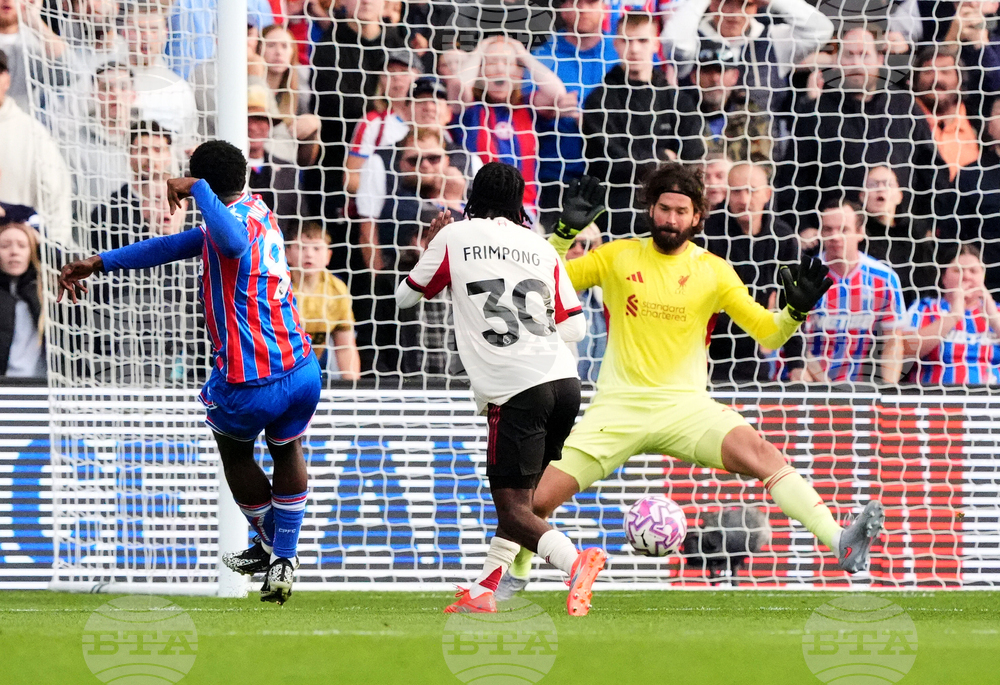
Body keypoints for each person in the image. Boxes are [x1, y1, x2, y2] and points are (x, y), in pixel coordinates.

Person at [496, 164, 884, 600]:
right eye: (664, 209)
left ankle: (840, 541)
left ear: (698, 216)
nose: (671, 219)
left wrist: (793, 313)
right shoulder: (617, 257)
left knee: (764, 454)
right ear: (651, 209)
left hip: (687, 408)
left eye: (682, 211)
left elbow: (768, 333)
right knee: (535, 501)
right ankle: (518, 574)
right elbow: (544, 284)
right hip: (618, 408)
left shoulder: (713, 271)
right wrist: (564, 234)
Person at [57, 140, 321, 605]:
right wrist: (99, 262)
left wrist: (197, 188)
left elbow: (231, 242)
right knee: (286, 448)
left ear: (199, 183)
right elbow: (170, 245)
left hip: (250, 376)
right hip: (300, 367)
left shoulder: (230, 228)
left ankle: (274, 547)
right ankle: (281, 554)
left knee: (234, 451)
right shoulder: (259, 209)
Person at [396, 163, 607, 616]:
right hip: (565, 383)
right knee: (523, 502)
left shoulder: (454, 236)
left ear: (473, 197)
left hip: (516, 389)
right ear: (520, 203)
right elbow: (576, 326)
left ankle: (576, 564)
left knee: (513, 510)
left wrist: (429, 247)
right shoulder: (541, 247)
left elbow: (405, 297)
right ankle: (484, 588)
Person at [776, 27, 942, 233]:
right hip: (837, 237)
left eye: (864, 54)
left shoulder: (904, 106)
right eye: (849, 55)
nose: (856, 63)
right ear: (837, 61)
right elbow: (794, 178)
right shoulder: (816, 112)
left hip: (901, 236)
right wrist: (803, 226)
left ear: (880, 59)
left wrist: (927, 225)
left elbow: (932, 170)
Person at [582, 12, 705, 236]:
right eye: (627, 41)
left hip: (671, 213)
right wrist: (663, 159)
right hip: (616, 213)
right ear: (616, 44)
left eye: (642, 40)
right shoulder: (599, 101)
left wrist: (643, 162)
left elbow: (692, 158)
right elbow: (609, 163)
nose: (635, 49)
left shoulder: (677, 101)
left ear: (655, 44)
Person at [700, 162, 803, 384]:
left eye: (751, 191)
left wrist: (796, 363)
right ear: (726, 194)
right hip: (704, 347)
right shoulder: (706, 233)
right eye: (736, 191)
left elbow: (791, 303)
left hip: (750, 348)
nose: (744, 200)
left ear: (767, 194)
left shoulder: (783, 238)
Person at [525, 0, 617, 225]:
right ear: (562, 8)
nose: (583, 8)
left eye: (590, 2)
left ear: (604, 6)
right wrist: (544, 106)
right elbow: (523, 104)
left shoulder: (621, 51)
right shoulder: (542, 56)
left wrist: (591, 119)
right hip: (555, 178)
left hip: (614, 178)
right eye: (575, 2)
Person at [803, 198, 910, 385]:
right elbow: (798, 345)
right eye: (828, 230)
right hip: (811, 381)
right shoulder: (805, 276)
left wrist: (890, 388)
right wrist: (828, 388)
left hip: (862, 385)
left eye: (843, 230)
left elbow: (893, 341)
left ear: (860, 232)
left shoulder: (883, 278)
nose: (835, 237)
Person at [661, 0, 833, 116]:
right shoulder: (692, 39)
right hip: (700, 152)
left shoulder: (774, 39)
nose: (735, 14)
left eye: (745, 4)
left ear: (757, 6)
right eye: (727, 3)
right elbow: (674, 43)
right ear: (712, 4)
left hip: (762, 155)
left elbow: (821, 30)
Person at [0, 49, 73, 245]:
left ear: (6, 79)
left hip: (19, 260)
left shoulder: (32, 133)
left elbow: (56, 195)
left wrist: (53, 246)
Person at [907, 244, 1000, 386]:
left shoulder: (997, 311)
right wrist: (953, 316)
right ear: (943, 277)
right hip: (935, 398)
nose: (966, 276)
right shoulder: (925, 308)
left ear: (983, 276)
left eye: (973, 271)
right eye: (958, 270)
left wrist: (995, 320)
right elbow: (905, 351)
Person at [285, 221, 360, 381]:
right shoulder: (277, 287)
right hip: (278, 367)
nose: (309, 254)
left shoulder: (336, 289)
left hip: (316, 365)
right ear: (287, 253)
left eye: (316, 248)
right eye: (301, 247)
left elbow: (345, 346)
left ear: (328, 256)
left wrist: (354, 391)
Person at [120, 0, 198, 154]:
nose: (146, 37)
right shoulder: (109, 80)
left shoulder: (179, 89)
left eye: (154, 30)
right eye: (139, 30)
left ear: (165, 34)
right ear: (124, 33)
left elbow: (187, 142)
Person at [861, 165, 936, 307]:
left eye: (888, 184)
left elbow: (928, 281)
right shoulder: (857, 235)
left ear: (899, 195)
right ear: (862, 195)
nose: (880, 188)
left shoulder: (915, 233)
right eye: (873, 184)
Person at [0, 208, 44, 377]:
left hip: (40, 386)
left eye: (22, 245)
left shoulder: (45, 291)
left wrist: (43, 243)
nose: (14, 252)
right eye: (4, 246)